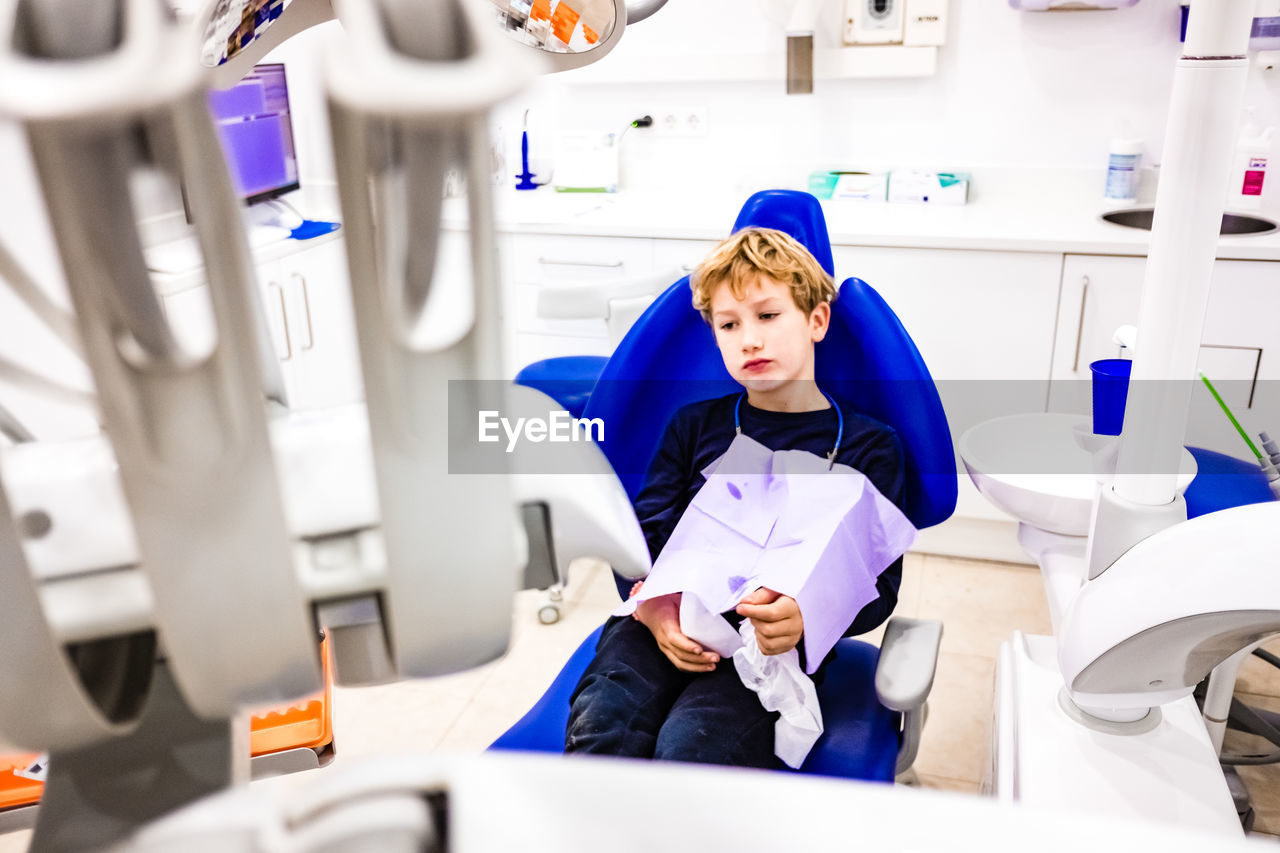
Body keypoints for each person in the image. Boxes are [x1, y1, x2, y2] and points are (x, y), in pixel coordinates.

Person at [564, 226, 906, 770]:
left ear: (816, 320)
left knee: (693, 754)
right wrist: (653, 610)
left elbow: (878, 589)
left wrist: (803, 616)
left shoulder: (868, 448)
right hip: (663, 624)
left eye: (768, 316)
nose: (749, 338)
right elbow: (642, 539)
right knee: (604, 734)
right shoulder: (694, 427)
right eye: (730, 324)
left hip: (768, 652)